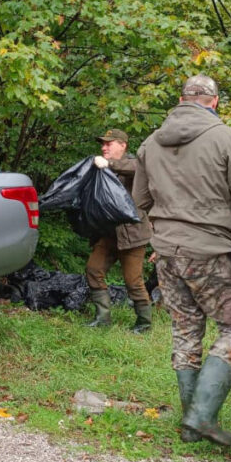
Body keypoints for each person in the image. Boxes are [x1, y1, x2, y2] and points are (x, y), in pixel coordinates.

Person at [132, 74, 231, 446]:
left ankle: (192, 420)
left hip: (167, 252)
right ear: (215, 102)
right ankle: (201, 417)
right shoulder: (227, 138)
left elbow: (140, 198)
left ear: (181, 99)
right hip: (211, 250)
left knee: (186, 330)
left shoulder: (151, 142)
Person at [87, 128, 154, 333]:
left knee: (133, 281)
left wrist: (110, 164)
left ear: (123, 145)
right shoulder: (101, 168)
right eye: (103, 144)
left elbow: (138, 168)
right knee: (93, 269)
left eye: (109, 143)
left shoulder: (136, 165)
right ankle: (103, 318)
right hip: (109, 234)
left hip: (133, 235)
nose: (104, 147)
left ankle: (144, 323)